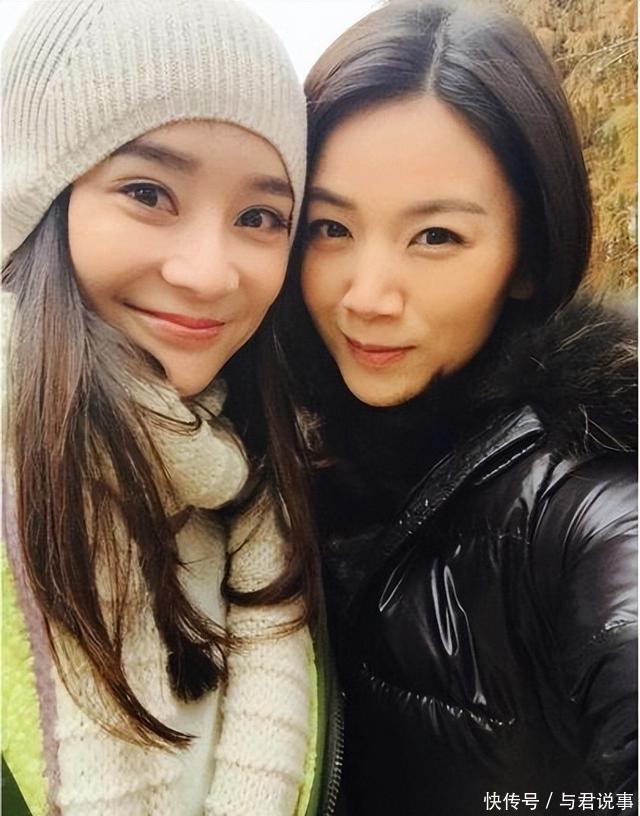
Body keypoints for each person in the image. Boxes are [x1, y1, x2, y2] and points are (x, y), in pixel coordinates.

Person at [274, 0, 638, 813]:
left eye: (436, 236)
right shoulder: (270, 453)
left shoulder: (583, 500)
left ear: (527, 256)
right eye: (330, 228)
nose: (367, 297)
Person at [0, 1, 329, 814]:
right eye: (148, 192)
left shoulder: (266, 471)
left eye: (259, 217)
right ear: (37, 198)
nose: (209, 273)